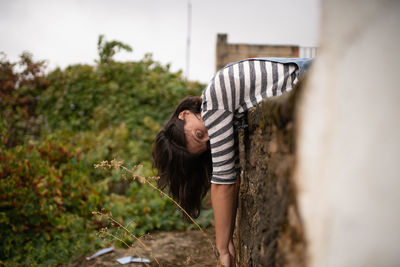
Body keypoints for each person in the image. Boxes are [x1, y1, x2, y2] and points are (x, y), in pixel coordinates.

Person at [153, 58, 312, 267]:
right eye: (206, 144)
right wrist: (227, 241)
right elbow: (232, 178)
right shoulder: (222, 107)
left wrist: (223, 250)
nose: (210, 137)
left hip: (312, 81)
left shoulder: (213, 101)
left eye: (199, 134)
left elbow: (223, 183)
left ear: (184, 114)